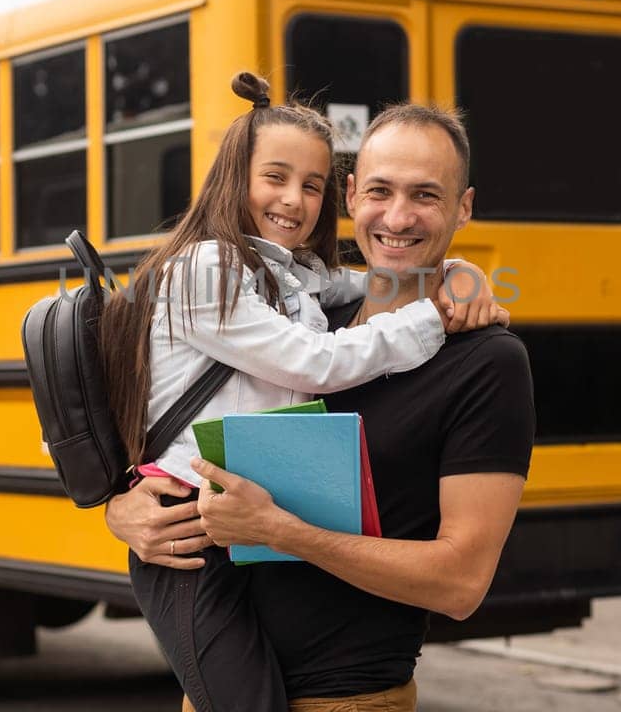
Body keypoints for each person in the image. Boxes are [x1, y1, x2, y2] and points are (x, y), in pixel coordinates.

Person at [97, 75, 508, 712]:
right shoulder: (260, 295)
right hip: (201, 586)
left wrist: (458, 274)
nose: (397, 216)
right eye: (379, 191)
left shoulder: (475, 358)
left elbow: (460, 584)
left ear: (464, 208)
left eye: (425, 195)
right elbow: (314, 358)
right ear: (354, 196)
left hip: (348, 697)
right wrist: (118, 505)